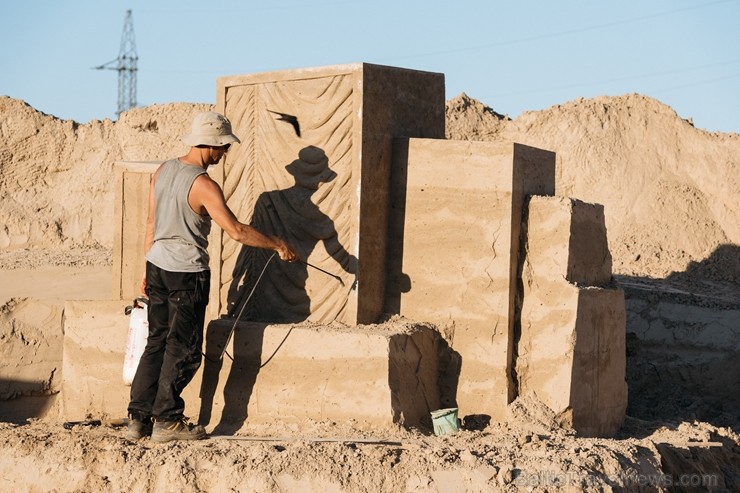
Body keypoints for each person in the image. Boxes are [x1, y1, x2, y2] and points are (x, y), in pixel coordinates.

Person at [126, 111, 299, 442]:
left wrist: (146, 268)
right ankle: (168, 420)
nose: (225, 154)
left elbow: (150, 223)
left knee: (157, 341)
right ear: (213, 145)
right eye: (225, 148)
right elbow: (235, 231)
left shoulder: (163, 171)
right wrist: (277, 244)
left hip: (157, 266)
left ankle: (138, 419)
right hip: (186, 274)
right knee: (185, 348)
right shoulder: (204, 185)